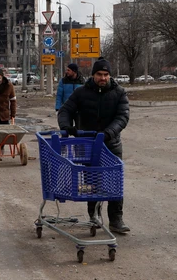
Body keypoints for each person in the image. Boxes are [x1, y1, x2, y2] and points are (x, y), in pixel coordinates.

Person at [57, 57, 131, 234]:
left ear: (110, 76)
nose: (103, 78)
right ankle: (94, 216)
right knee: (92, 181)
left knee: (115, 182)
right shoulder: (81, 92)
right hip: (88, 144)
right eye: (99, 74)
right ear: (93, 75)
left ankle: (116, 219)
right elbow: (65, 110)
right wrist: (66, 127)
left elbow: (122, 117)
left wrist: (108, 133)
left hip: (110, 144)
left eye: (106, 74)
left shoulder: (119, 93)